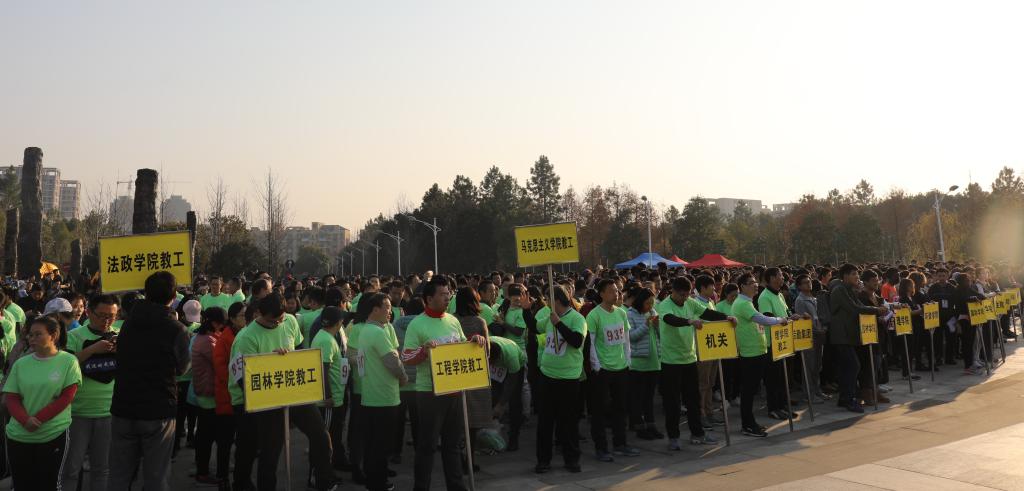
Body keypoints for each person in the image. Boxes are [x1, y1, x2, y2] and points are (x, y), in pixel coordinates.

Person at [229, 293, 337, 490]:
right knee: (270, 453)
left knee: (321, 436)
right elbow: (242, 378)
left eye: (281, 319)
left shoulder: (290, 321)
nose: (278, 323)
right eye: (273, 321)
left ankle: (324, 481)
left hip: (295, 390)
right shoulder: (246, 337)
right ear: (259, 314)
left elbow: (299, 349)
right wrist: (270, 363)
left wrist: (290, 359)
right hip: (268, 400)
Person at [109, 271, 192, 491]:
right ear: (173, 296)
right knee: (156, 477)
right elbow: (182, 368)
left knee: (119, 475)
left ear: (146, 293)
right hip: (158, 410)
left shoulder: (128, 323)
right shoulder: (177, 329)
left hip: (123, 406)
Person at [401, 278, 483, 491]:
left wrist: (474, 341)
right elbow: (406, 357)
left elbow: (461, 347)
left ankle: (456, 486)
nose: (448, 298)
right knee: (427, 446)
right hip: (429, 392)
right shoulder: (417, 324)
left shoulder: (453, 320)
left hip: (454, 390)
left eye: (449, 294)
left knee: (452, 444)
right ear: (429, 299)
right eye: (443, 294)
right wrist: (423, 351)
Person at [3, 316, 81, 490]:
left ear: (53, 336)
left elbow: (67, 396)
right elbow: (12, 397)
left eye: (38, 334)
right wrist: (25, 420)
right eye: (30, 335)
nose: (32, 338)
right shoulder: (21, 363)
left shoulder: (69, 361)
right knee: (22, 485)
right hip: (19, 435)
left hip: (52, 433)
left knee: (49, 485)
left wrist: (38, 419)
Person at [63, 294, 120, 491]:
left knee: (102, 469)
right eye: (102, 315)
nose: (107, 321)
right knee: (71, 469)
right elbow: (66, 367)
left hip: (109, 412)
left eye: (111, 316)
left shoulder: (121, 335)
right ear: (88, 312)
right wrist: (93, 349)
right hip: (78, 412)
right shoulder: (74, 336)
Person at [356, 293, 409, 491]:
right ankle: (378, 483)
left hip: (371, 395)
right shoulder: (378, 333)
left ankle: (374, 480)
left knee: (373, 443)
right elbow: (392, 361)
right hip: (384, 397)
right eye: (386, 307)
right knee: (381, 444)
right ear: (375, 310)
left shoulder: (365, 330)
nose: (390, 311)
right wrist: (403, 378)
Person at [655, 277, 716, 448]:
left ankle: (698, 433)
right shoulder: (665, 305)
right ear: (673, 291)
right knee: (673, 402)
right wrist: (690, 321)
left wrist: (728, 317)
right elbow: (670, 319)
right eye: (681, 295)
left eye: (687, 295)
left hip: (689, 359)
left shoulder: (690, 302)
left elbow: (707, 313)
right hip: (671, 361)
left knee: (693, 400)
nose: (684, 298)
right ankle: (673, 437)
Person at [585, 279, 640, 461]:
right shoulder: (594, 315)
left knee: (620, 408)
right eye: (611, 291)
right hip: (603, 369)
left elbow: (626, 339)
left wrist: (628, 360)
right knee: (600, 410)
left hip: (621, 367)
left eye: (617, 290)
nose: (615, 294)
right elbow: (591, 343)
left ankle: (620, 444)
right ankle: (601, 448)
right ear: (601, 294)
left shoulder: (621, 313)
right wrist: (596, 365)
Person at [535, 284, 586, 474]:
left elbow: (576, 341)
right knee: (545, 422)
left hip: (568, 378)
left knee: (568, 422)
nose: (546, 303)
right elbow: (535, 327)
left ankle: (571, 459)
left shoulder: (577, 318)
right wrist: (525, 310)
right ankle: (543, 460)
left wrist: (558, 324)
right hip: (547, 375)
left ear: (556, 300)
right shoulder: (550, 317)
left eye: (548, 299)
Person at [828, 264, 888, 413]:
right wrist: (876, 310)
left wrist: (878, 309)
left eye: (857, 274)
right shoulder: (839, 290)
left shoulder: (849, 290)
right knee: (853, 365)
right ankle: (849, 399)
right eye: (854, 274)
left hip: (849, 336)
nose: (857, 277)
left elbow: (859, 305)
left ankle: (845, 398)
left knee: (848, 367)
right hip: (841, 336)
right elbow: (855, 309)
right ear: (845, 276)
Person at [311, 306, 350, 476]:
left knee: (332, 436)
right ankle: (319, 475)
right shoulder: (326, 340)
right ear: (339, 322)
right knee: (324, 439)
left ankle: (330, 469)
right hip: (328, 400)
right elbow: (323, 369)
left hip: (334, 397)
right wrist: (327, 396)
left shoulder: (325, 336)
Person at [193, 306, 229, 485]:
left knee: (205, 434)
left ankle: (202, 469)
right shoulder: (209, 341)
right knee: (207, 436)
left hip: (204, 392)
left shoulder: (202, 337)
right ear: (215, 323)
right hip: (208, 394)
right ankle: (203, 472)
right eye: (222, 324)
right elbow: (221, 361)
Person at [213, 302, 245, 490]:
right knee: (225, 442)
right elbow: (221, 369)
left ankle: (239, 478)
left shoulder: (244, 335)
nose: (246, 319)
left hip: (241, 397)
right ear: (232, 319)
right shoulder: (224, 339)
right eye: (242, 316)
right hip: (227, 398)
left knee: (242, 442)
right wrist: (239, 383)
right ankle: (222, 477)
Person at [626, 286, 662, 440]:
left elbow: (660, 335)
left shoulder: (653, 312)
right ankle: (639, 427)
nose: (650, 306)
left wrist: (657, 326)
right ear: (640, 301)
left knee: (649, 397)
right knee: (638, 397)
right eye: (648, 303)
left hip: (653, 361)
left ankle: (651, 425)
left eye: (652, 303)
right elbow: (631, 337)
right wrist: (646, 326)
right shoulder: (630, 314)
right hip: (638, 362)